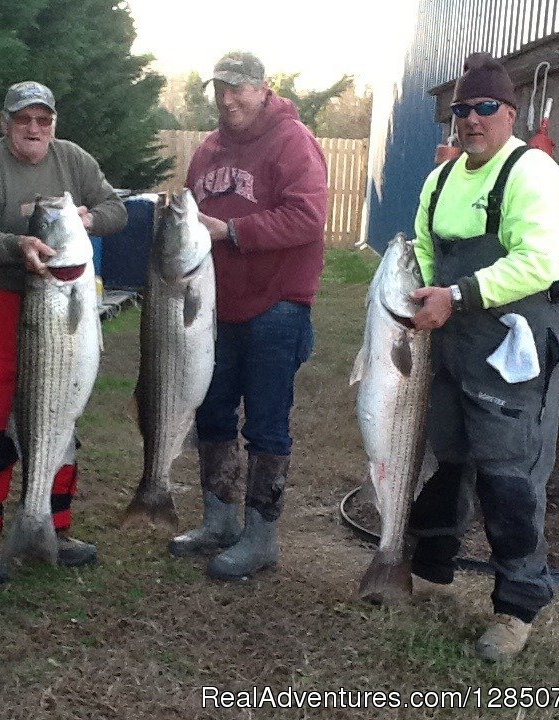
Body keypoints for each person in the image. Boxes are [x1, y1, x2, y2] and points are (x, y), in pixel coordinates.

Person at [409, 53, 559, 661]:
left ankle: (516, 608)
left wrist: (456, 295)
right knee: (444, 458)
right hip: (450, 340)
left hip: (513, 344)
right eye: (461, 110)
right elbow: (426, 248)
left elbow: (540, 262)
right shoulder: (441, 179)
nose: (471, 121)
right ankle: (429, 565)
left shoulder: (535, 174)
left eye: (484, 108)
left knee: (508, 478)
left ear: (510, 112)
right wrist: (428, 293)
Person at [0, 81, 128, 583]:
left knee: (58, 416)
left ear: (54, 124)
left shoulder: (73, 160)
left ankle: (53, 526)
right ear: (4, 122)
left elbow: (116, 210)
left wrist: (89, 217)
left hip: (58, 301)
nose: (34, 129)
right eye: (23, 119)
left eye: (43, 120)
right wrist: (15, 246)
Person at [168, 52, 328, 580]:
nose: (228, 99)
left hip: (277, 304)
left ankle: (261, 536)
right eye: (221, 89)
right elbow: (189, 219)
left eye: (239, 89)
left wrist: (233, 233)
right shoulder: (208, 150)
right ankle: (219, 520)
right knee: (211, 412)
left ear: (263, 88)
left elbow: (307, 217)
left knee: (265, 423)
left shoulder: (292, 141)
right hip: (213, 307)